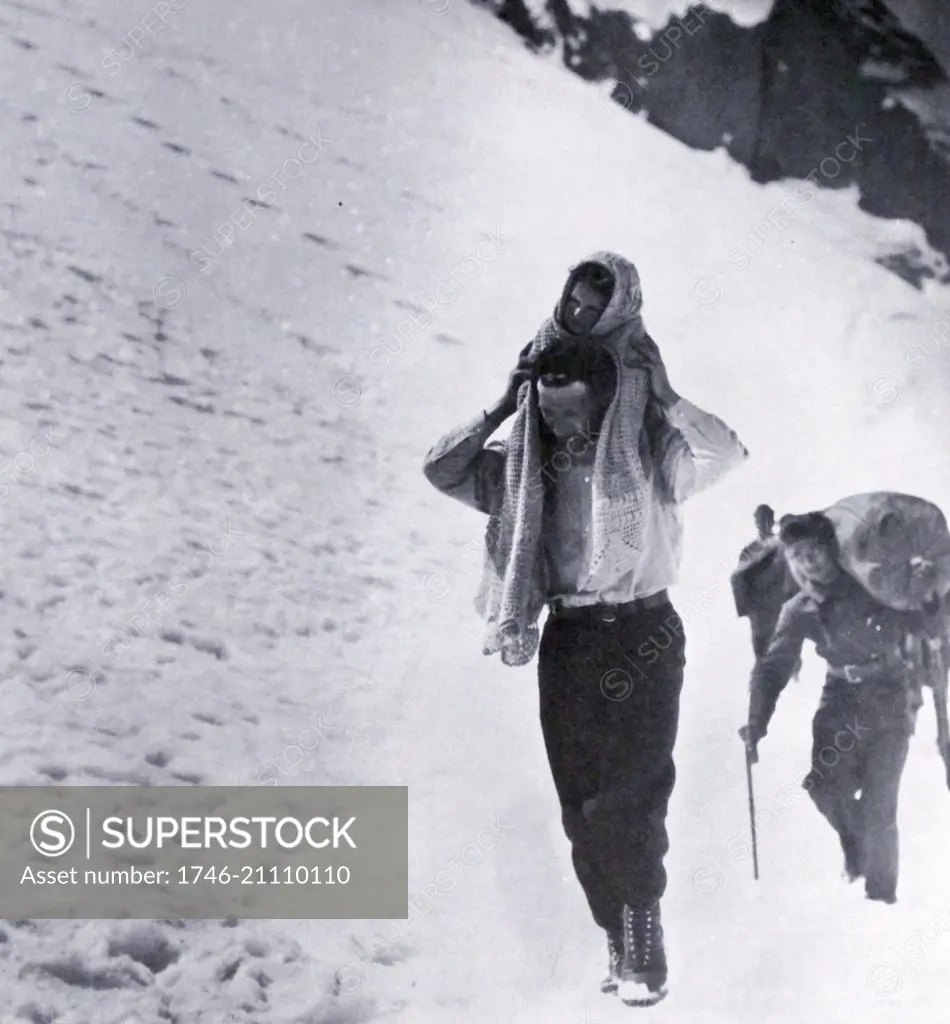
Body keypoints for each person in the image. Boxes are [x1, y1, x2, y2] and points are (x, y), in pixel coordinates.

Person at [422, 252, 747, 1006]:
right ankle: (618, 932)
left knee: (631, 796)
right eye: (550, 408)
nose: (562, 422)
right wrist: (504, 405)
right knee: (581, 805)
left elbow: (724, 453)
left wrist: (663, 394)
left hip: (645, 635)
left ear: (604, 403)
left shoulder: (650, 456)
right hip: (569, 642)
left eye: (573, 409)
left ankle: (645, 942)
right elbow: (440, 469)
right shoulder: (521, 475)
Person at [740, 511, 930, 904]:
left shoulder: (873, 584)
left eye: (814, 551)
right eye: (797, 555)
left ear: (831, 550)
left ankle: (881, 895)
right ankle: (856, 843)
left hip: (889, 694)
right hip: (840, 697)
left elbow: (918, 616)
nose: (808, 562)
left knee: (880, 801)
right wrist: (756, 723)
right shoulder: (798, 609)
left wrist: (925, 592)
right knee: (825, 786)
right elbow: (772, 668)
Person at [731, 504, 801, 669]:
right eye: (760, 519)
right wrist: (746, 609)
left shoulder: (782, 545)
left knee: (788, 651)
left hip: (781, 605)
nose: (763, 523)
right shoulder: (750, 550)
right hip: (760, 611)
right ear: (756, 521)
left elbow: (795, 572)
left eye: (766, 518)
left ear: (772, 520)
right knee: (762, 654)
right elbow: (739, 579)